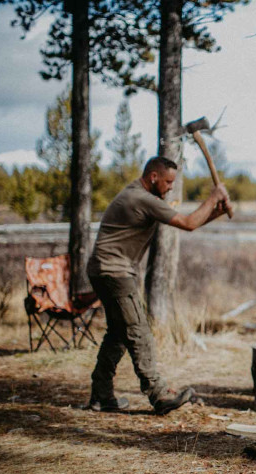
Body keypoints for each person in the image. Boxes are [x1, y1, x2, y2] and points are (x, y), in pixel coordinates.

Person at [86, 156, 230, 415]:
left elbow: (191, 223)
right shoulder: (141, 199)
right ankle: (159, 393)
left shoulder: (141, 195)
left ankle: (101, 395)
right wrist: (214, 196)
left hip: (105, 270)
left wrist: (216, 211)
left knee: (118, 334)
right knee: (138, 331)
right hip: (113, 272)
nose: (170, 187)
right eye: (168, 182)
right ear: (153, 177)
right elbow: (187, 223)